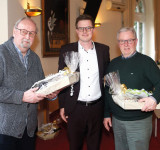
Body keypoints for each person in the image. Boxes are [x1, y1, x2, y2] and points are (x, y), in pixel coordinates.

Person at [0, 17, 59, 150]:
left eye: (32, 33)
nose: (28, 36)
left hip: (30, 128)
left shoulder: (35, 58)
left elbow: (41, 85)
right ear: (14, 31)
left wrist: (51, 93)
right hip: (5, 129)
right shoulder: (2, 53)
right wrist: (22, 96)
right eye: (24, 31)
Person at [58, 14, 110, 150]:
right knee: (75, 145)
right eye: (81, 28)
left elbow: (107, 79)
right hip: (75, 107)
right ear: (76, 31)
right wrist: (62, 105)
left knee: (94, 145)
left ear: (93, 30)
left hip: (97, 107)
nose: (85, 31)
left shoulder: (104, 50)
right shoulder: (66, 50)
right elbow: (61, 80)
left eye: (88, 28)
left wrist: (106, 111)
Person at [103, 27, 160, 150]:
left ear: (136, 41)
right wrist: (106, 114)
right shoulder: (113, 64)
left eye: (130, 40)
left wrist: (155, 98)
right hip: (117, 121)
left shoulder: (146, 62)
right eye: (122, 41)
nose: (126, 44)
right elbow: (108, 91)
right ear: (118, 43)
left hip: (139, 122)